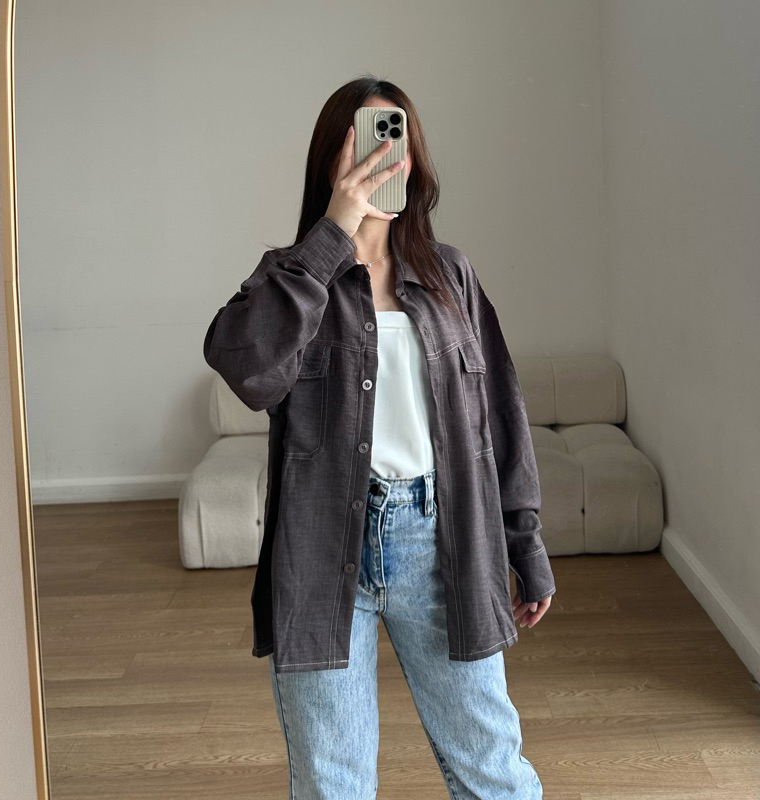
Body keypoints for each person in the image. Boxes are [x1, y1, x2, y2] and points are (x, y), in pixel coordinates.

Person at [204, 77, 556, 799]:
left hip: (445, 542)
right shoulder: (291, 278)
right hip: (320, 545)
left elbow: (500, 414)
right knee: (332, 782)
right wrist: (333, 233)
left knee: (493, 768)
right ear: (331, 160)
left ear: (412, 158)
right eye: (361, 143)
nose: (378, 159)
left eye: (393, 140)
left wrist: (525, 543)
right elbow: (246, 368)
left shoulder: (451, 275)